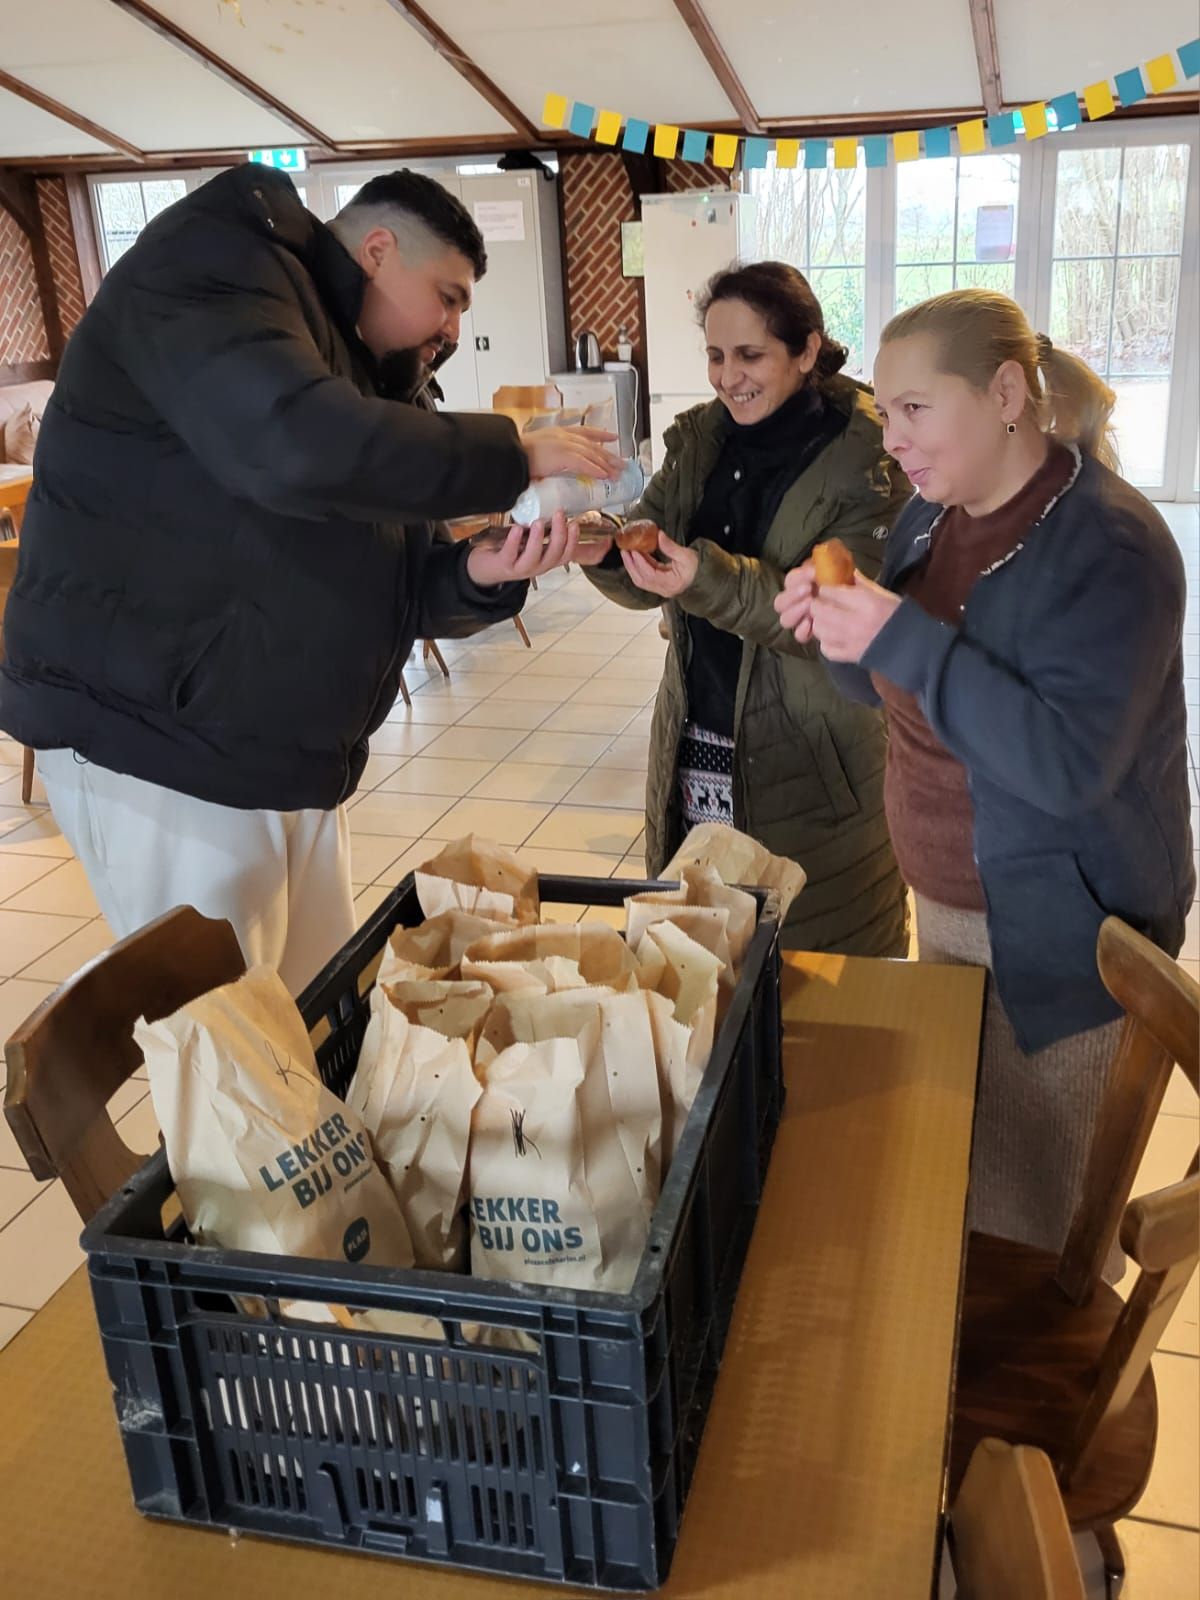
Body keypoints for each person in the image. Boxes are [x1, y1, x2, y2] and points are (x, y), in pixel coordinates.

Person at [0, 165, 620, 993]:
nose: (450, 325)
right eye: (448, 294)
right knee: (226, 1045)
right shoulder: (213, 259)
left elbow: (404, 576)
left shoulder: (360, 366)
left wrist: (482, 570)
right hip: (158, 737)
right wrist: (512, 451)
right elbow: (289, 448)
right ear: (376, 249)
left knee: (316, 1012)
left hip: (278, 747)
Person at [775, 288, 1194, 1260]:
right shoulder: (932, 512)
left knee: (1033, 1221)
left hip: (1066, 934)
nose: (896, 442)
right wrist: (836, 626)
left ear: (1007, 393)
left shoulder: (1112, 547)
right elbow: (891, 684)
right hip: (955, 910)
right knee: (962, 1171)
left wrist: (903, 637)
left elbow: (1066, 765)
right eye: (888, 414)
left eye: (917, 409)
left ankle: (1005, 1400)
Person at [584, 262, 911, 954]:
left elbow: (830, 618)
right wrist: (597, 550)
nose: (729, 376)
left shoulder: (871, 459)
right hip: (697, 737)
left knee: (810, 969)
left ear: (807, 351)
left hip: (813, 762)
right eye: (715, 354)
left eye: (750, 355)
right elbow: (651, 555)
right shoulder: (701, 438)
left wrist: (703, 575)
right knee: (704, 961)